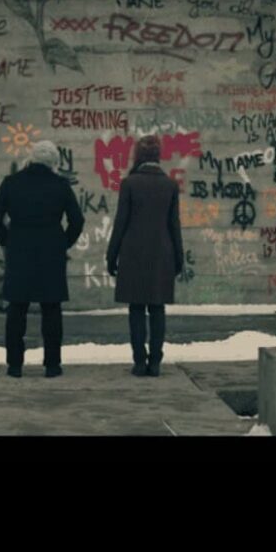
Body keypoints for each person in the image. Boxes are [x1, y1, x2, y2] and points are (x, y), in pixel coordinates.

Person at [0, 140, 84, 378]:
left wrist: (7, 240)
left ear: (31, 158)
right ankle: (52, 365)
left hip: (20, 250)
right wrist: (63, 243)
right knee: (51, 308)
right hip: (51, 252)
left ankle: (15, 365)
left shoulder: (12, 183)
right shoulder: (60, 185)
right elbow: (77, 220)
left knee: (17, 308)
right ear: (53, 162)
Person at [105, 135, 184, 377]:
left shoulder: (130, 183)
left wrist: (112, 256)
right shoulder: (170, 185)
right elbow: (174, 226)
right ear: (158, 156)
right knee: (157, 308)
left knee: (136, 308)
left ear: (138, 156)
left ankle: (140, 361)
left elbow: (121, 223)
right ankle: (156, 362)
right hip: (162, 253)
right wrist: (179, 259)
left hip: (133, 253)